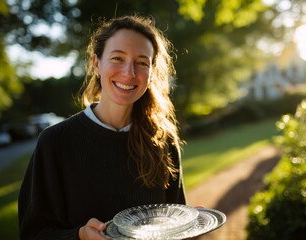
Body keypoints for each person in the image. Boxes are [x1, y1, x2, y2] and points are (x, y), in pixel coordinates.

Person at [18, 14, 186, 240]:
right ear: (97, 63)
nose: (129, 73)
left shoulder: (163, 141)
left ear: (151, 72)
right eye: (118, 58)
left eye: (142, 62)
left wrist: (191, 226)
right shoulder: (55, 142)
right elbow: (33, 233)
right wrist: (80, 236)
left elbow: (175, 222)